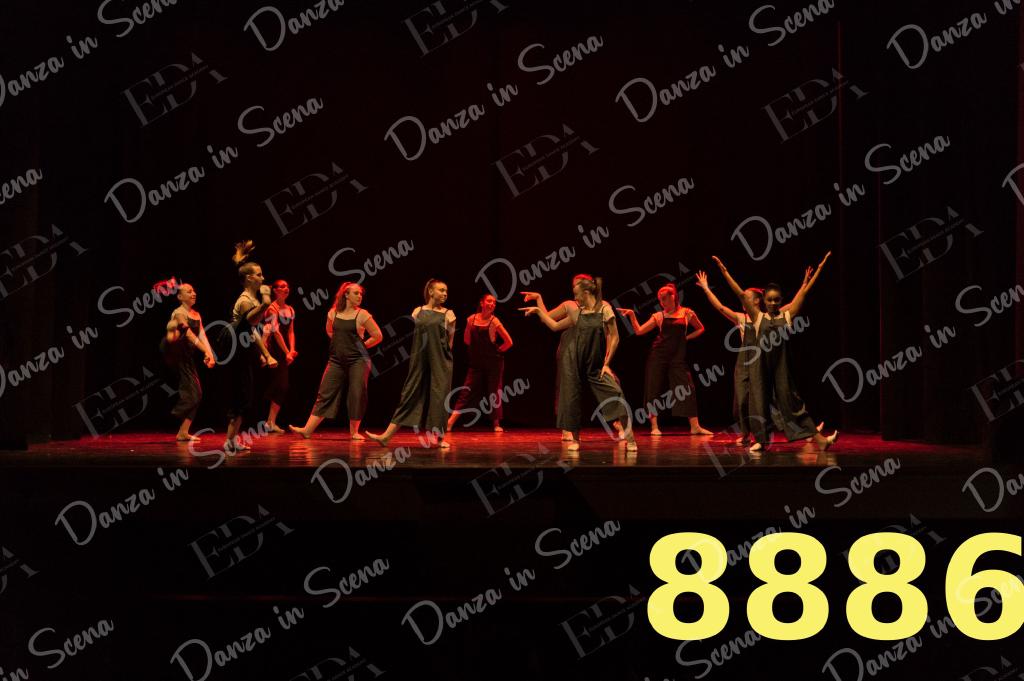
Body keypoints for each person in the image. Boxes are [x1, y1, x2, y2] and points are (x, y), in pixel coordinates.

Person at [711, 253, 837, 452]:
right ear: (764, 300)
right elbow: (740, 294)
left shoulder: (787, 316)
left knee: (790, 401)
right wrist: (724, 270)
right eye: (769, 300)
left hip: (780, 366)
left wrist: (819, 269)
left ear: (780, 300)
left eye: (776, 300)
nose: (772, 303)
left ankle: (819, 439)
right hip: (759, 366)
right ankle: (761, 440)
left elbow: (804, 293)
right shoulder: (757, 317)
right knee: (758, 402)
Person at [697, 268, 818, 446]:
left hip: (765, 361)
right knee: (742, 401)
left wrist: (805, 283)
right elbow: (720, 307)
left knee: (775, 400)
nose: (743, 299)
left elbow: (794, 303)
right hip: (745, 362)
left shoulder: (767, 317)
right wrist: (706, 288)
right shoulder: (742, 318)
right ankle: (748, 434)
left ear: (756, 301)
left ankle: (803, 431)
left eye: (747, 297)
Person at [520, 275, 638, 452]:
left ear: (586, 292)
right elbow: (554, 326)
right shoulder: (577, 313)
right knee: (571, 398)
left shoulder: (605, 308)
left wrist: (607, 364)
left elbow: (615, 337)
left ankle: (631, 439)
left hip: (595, 364)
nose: (575, 298)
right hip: (575, 361)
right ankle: (575, 439)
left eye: (577, 294)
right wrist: (538, 311)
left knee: (616, 393)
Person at [367, 279, 455, 448]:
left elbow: (450, 341)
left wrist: (443, 361)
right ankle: (386, 436)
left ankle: (440, 438)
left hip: (440, 361)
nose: (445, 294)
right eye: (441, 290)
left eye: (446, 291)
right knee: (409, 393)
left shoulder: (449, 314)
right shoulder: (417, 311)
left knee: (439, 396)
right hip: (419, 360)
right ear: (431, 292)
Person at [617, 284, 713, 436]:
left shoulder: (687, 313)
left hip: (677, 358)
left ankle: (695, 426)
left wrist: (686, 338)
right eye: (660, 300)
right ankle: (654, 426)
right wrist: (632, 315)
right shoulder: (659, 316)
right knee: (653, 388)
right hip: (658, 356)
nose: (662, 303)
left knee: (687, 388)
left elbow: (700, 328)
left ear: (673, 297)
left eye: (664, 299)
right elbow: (639, 331)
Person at [290, 282, 383, 439]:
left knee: (356, 393)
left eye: (361, 294)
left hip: (358, 360)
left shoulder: (362, 314)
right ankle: (307, 430)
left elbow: (378, 336)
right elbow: (329, 330)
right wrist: (341, 343)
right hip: (336, 360)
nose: (359, 296)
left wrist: (361, 346)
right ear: (346, 295)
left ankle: (354, 432)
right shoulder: (333, 313)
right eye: (356, 293)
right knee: (325, 392)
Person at [222, 240, 278, 453]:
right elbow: (251, 323)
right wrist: (266, 300)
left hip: (243, 351)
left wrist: (265, 354)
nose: (263, 278)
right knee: (240, 396)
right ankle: (229, 441)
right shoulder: (246, 300)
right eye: (259, 275)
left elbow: (252, 332)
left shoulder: (251, 300)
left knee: (245, 396)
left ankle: (233, 440)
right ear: (248, 278)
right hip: (236, 352)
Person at [447, 293, 513, 432]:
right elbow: (466, 340)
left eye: (494, 302)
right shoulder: (471, 319)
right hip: (476, 362)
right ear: (482, 303)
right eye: (489, 301)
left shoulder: (494, 321)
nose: (492, 304)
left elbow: (509, 342)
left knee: (494, 392)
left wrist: (497, 351)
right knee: (466, 391)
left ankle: (496, 424)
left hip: (493, 363)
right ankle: (450, 422)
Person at [160, 279, 215, 442]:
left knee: (197, 393)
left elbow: (202, 334)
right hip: (176, 354)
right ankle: (175, 413)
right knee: (194, 393)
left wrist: (210, 354)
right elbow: (189, 334)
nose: (193, 293)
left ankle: (183, 432)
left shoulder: (196, 314)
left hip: (187, 356)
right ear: (179, 297)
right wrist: (205, 351)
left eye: (194, 291)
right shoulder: (178, 313)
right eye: (189, 291)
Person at [263, 280, 297, 433]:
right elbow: (276, 332)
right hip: (274, 350)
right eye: (282, 286)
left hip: (285, 351)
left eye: (287, 286)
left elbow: (290, 331)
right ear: (275, 290)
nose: (286, 288)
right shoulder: (272, 308)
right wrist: (287, 352)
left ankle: (270, 422)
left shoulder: (290, 309)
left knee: (281, 386)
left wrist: (292, 349)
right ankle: (269, 422)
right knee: (280, 385)